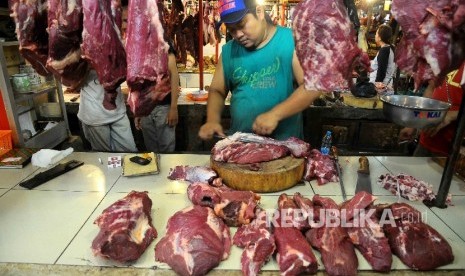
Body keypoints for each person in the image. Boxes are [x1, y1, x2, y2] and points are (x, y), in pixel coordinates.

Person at [198, 0, 320, 141]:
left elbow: (312, 87)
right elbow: (217, 90)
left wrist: (275, 114)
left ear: (260, 12)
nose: (238, 34)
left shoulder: (291, 41)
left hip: (284, 146)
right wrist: (212, 120)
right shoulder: (228, 51)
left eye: (241, 25)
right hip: (241, 146)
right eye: (231, 29)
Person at [399, 63, 464, 156]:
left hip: (453, 151)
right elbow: (431, 90)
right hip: (425, 141)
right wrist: (415, 123)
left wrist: (449, 116)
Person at [77, 69, 138, 152]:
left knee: (129, 152)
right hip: (95, 114)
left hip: (118, 111)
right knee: (104, 156)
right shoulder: (81, 57)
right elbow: (70, 82)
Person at [134, 43, 180, 153]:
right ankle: (155, 170)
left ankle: (168, 170)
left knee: (167, 150)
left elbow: (174, 76)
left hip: (164, 108)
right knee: (151, 150)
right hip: (146, 108)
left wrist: (173, 108)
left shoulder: (165, 47)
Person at [369, 24, 396, 89]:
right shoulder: (390, 47)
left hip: (381, 87)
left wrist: (378, 83)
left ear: (380, 37)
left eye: (376, 34)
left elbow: (382, 69)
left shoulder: (384, 50)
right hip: (386, 84)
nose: (375, 36)